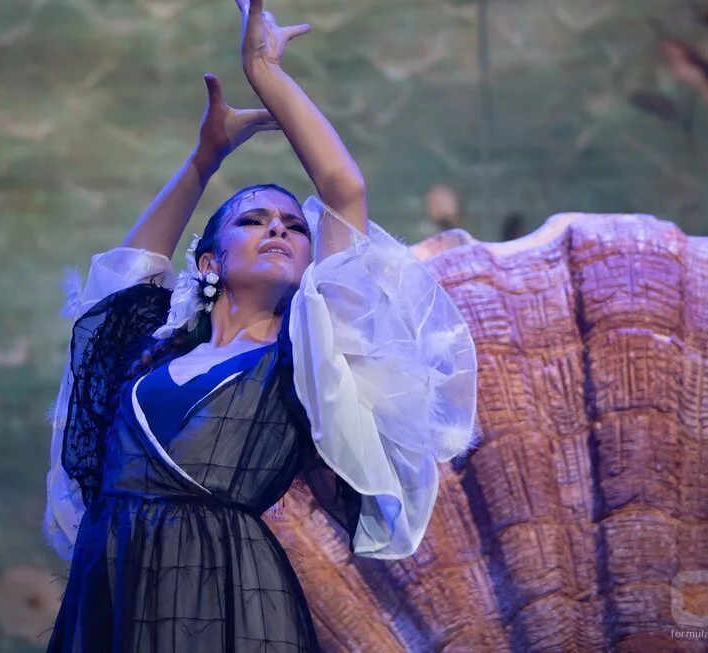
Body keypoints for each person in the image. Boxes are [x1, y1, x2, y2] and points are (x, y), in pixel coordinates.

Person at [43, 1, 478, 650]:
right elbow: (127, 275)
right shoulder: (149, 355)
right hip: (113, 587)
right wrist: (203, 160)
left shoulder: (306, 355)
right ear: (209, 261)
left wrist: (265, 71)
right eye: (253, 220)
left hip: (228, 595)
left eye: (294, 226)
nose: (278, 227)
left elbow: (343, 190)